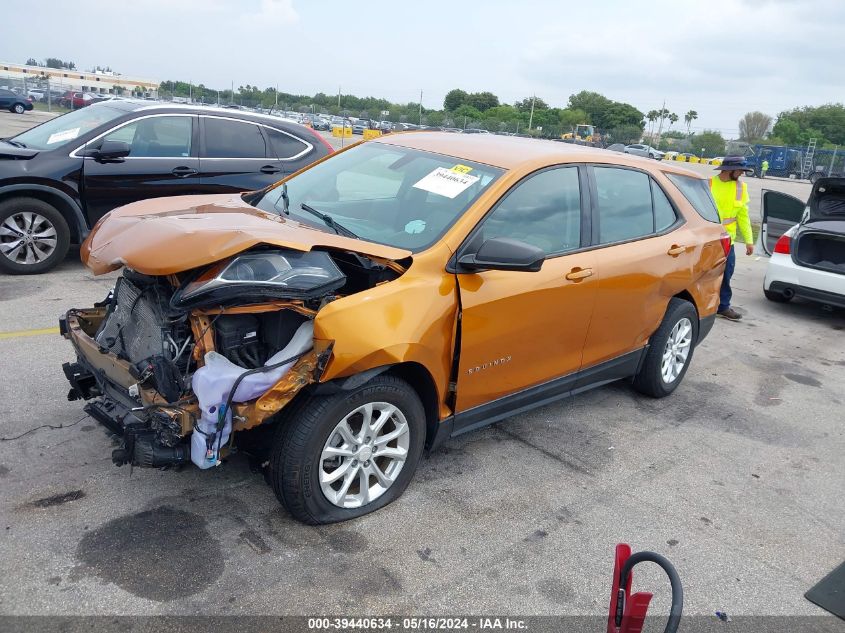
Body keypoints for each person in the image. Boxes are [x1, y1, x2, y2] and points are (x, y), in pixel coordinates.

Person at [710, 156, 754, 320]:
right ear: (729, 169)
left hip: (728, 241)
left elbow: (743, 216)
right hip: (707, 238)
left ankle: (723, 306)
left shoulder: (741, 187)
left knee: (726, 274)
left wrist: (749, 241)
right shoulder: (708, 184)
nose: (742, 173)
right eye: (740, 170)